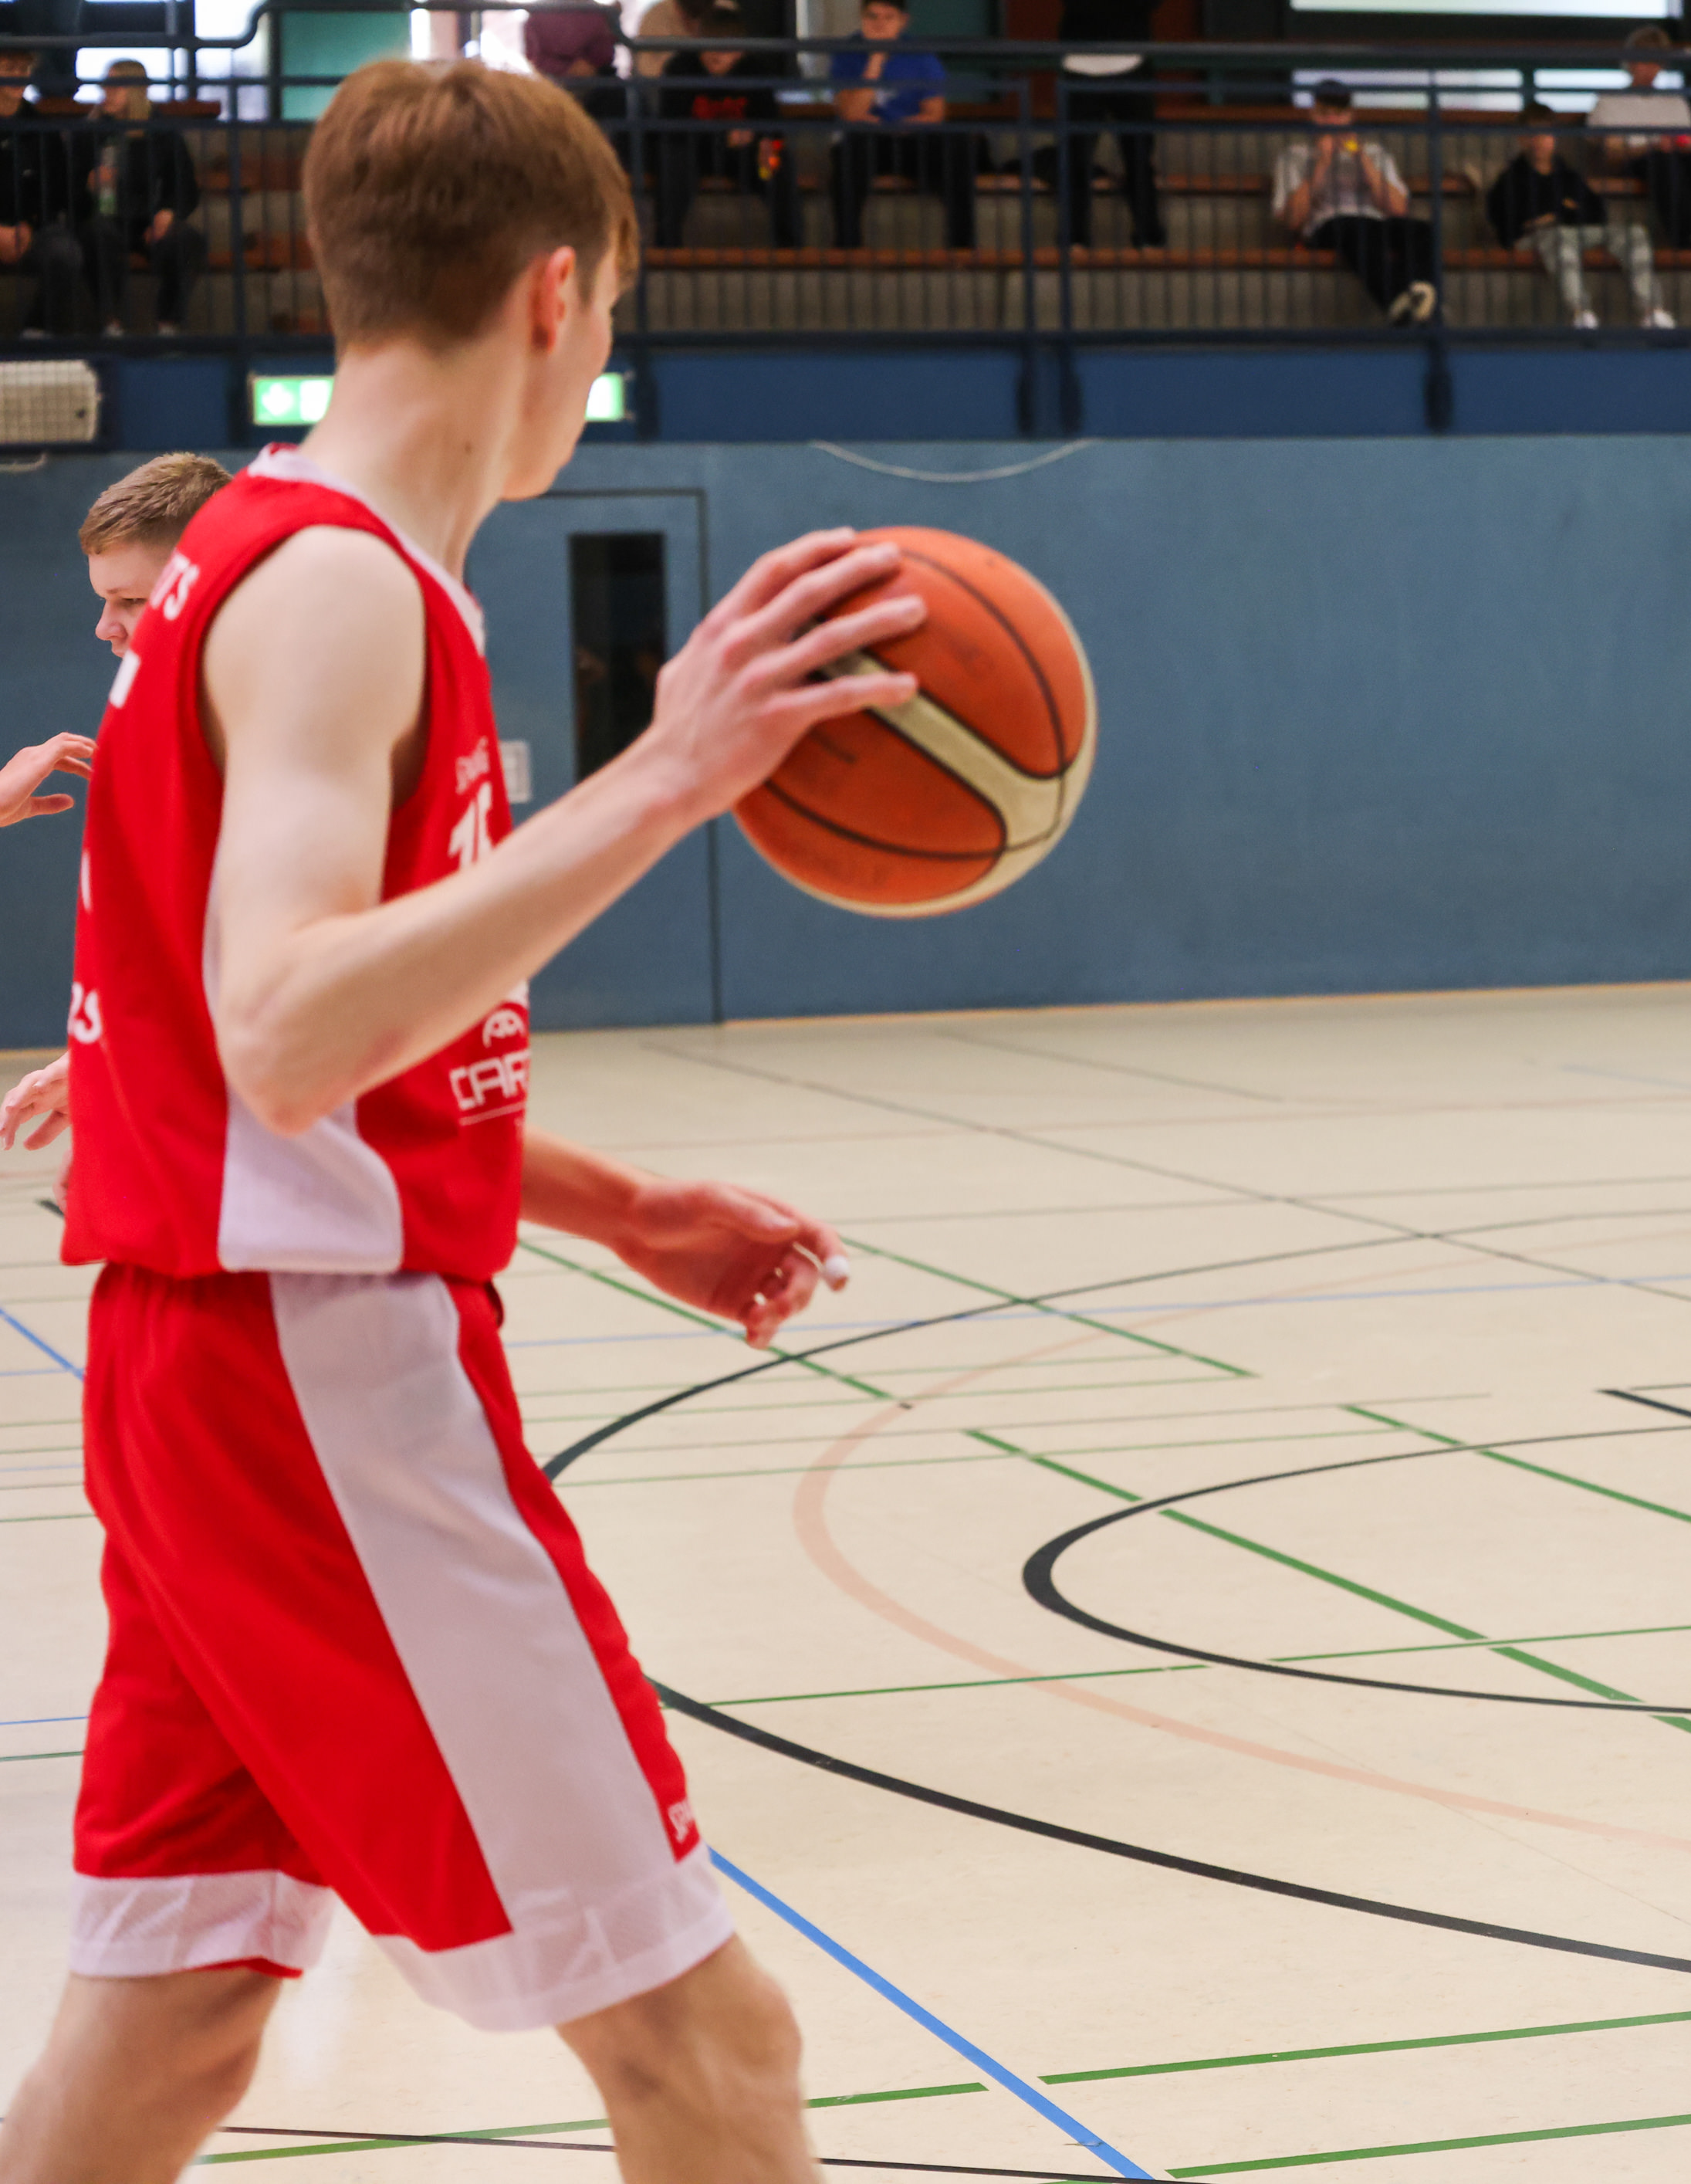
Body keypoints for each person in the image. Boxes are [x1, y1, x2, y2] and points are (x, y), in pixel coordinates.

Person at [0, 59, 928, 2182]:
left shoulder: (254, 553)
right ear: (555, 293)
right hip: (315, 1382)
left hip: (196, 1361)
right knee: (709, 2041)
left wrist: (608, 1201)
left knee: (167, 2027)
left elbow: (268, 1057)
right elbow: (286, 1031)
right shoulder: (342, 588)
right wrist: (666, 775)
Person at [0, 453, 235, 1166]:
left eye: (132, 600)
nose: (106, 627)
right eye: (104, 601)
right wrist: (105, 1059)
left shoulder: (267, 740)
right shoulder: (149, 729)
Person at [1486, 104, 1669, 332]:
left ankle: (1653, 311)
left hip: (1576, 233)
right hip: (1535, 239)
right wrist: (1565, 211)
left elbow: (1596, 212)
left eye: (1545, 133)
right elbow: (1512, 221)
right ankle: (1581, 312)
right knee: (1559, 236)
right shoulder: (1511, 179)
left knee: (1634, 233)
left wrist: (1557, 215)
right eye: (1532, 134)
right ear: (1521, 139)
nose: (1539, 141)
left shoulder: (1568, 175)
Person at [1271, 80, 1436, 327]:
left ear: (1350, 117)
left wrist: (1363, 160)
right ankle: (1400, 304)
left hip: (1375, 224)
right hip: (1327, 227)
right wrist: (1322, 163)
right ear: (1313, 115)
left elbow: (1398, 209)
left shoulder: (1375, 154)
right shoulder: (1293, 156)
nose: (1332, 121)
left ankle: (1418, 298)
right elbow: (1294, 220)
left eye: (1339, 114)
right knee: (1355, 228)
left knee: (1423, 231)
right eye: (1325, 114)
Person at [830, 0, 973, 251]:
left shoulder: (921, 55)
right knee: (849, 152)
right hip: (868, 141)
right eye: (872, 16)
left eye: (888, 17)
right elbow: (851, 114)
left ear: (903, 21)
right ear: (862, 18)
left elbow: (935, 114)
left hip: (911, 137)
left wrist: (896, 125)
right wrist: (876, 60)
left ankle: (961, 249)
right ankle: (848, 248)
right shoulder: (847, 53)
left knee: (957, 146)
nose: (880, 24)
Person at [1588, 26, 1691, 251]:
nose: (1650, 68)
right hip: (1637, 160)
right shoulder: (1609, 101)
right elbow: (1612, 153)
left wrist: (1679, 144)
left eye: (1656, 61)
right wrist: (1653, 146)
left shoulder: (1675, 101)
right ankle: (1687, 234)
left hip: (1674, 158)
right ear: (1630, 62)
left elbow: (1689, 144)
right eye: (1644, 60)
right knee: (1662, 162)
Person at [80, 62, 203, 337]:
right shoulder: (90, 131)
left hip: (149, 220)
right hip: (105, 219)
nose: (106, 92)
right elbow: (65, 186)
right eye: (105, 85)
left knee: (188, 240)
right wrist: (88, 185)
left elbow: (184, 185)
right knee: (97, 234)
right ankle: (110, 322)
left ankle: (169, 323)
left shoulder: (162, 132)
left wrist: (168, 211)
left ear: (136, 91)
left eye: (116, 86)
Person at [654, 34, 802, 249]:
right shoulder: (681, 68)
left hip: (744, 155)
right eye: (710, 48)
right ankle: (667, 248)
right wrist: (724, 136)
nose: (717, 55)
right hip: (694, 153)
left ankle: (791, 249)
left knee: (776, 163)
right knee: (673, 161)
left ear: (740, 52)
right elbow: (671, 128)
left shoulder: (755, 70)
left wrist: (765, 142)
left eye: (726, 50)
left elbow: (773, 126)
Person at [0, 46, 92, 340]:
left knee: (64, 251)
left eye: (24, 70)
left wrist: (30, 224)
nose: (19, 77)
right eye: (9, 69)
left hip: (30, 229)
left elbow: (55, 189)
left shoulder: (41, 128)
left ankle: (37, 330)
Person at [1057, 0, 1162, 252]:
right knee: (1075, 159)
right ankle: (1074, 239)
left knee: (1138, 158)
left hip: (1131, 60)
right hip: (1079, 63)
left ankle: (1149, 237)